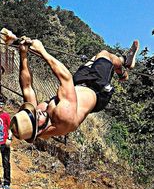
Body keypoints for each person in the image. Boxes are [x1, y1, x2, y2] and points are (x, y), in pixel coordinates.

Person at [9, 35, 139, 143]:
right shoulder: (63, 118)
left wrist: (23, 54)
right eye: (37, 117)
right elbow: (65, 78)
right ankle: (123, 69)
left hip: (78, 85)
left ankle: (124, 63)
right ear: (39, 130)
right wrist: (42, 51)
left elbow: (27, 87)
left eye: (33, 112)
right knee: (105, 54)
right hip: (97, 89)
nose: (37, 112)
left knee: (97, 56)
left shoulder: (32, 123)